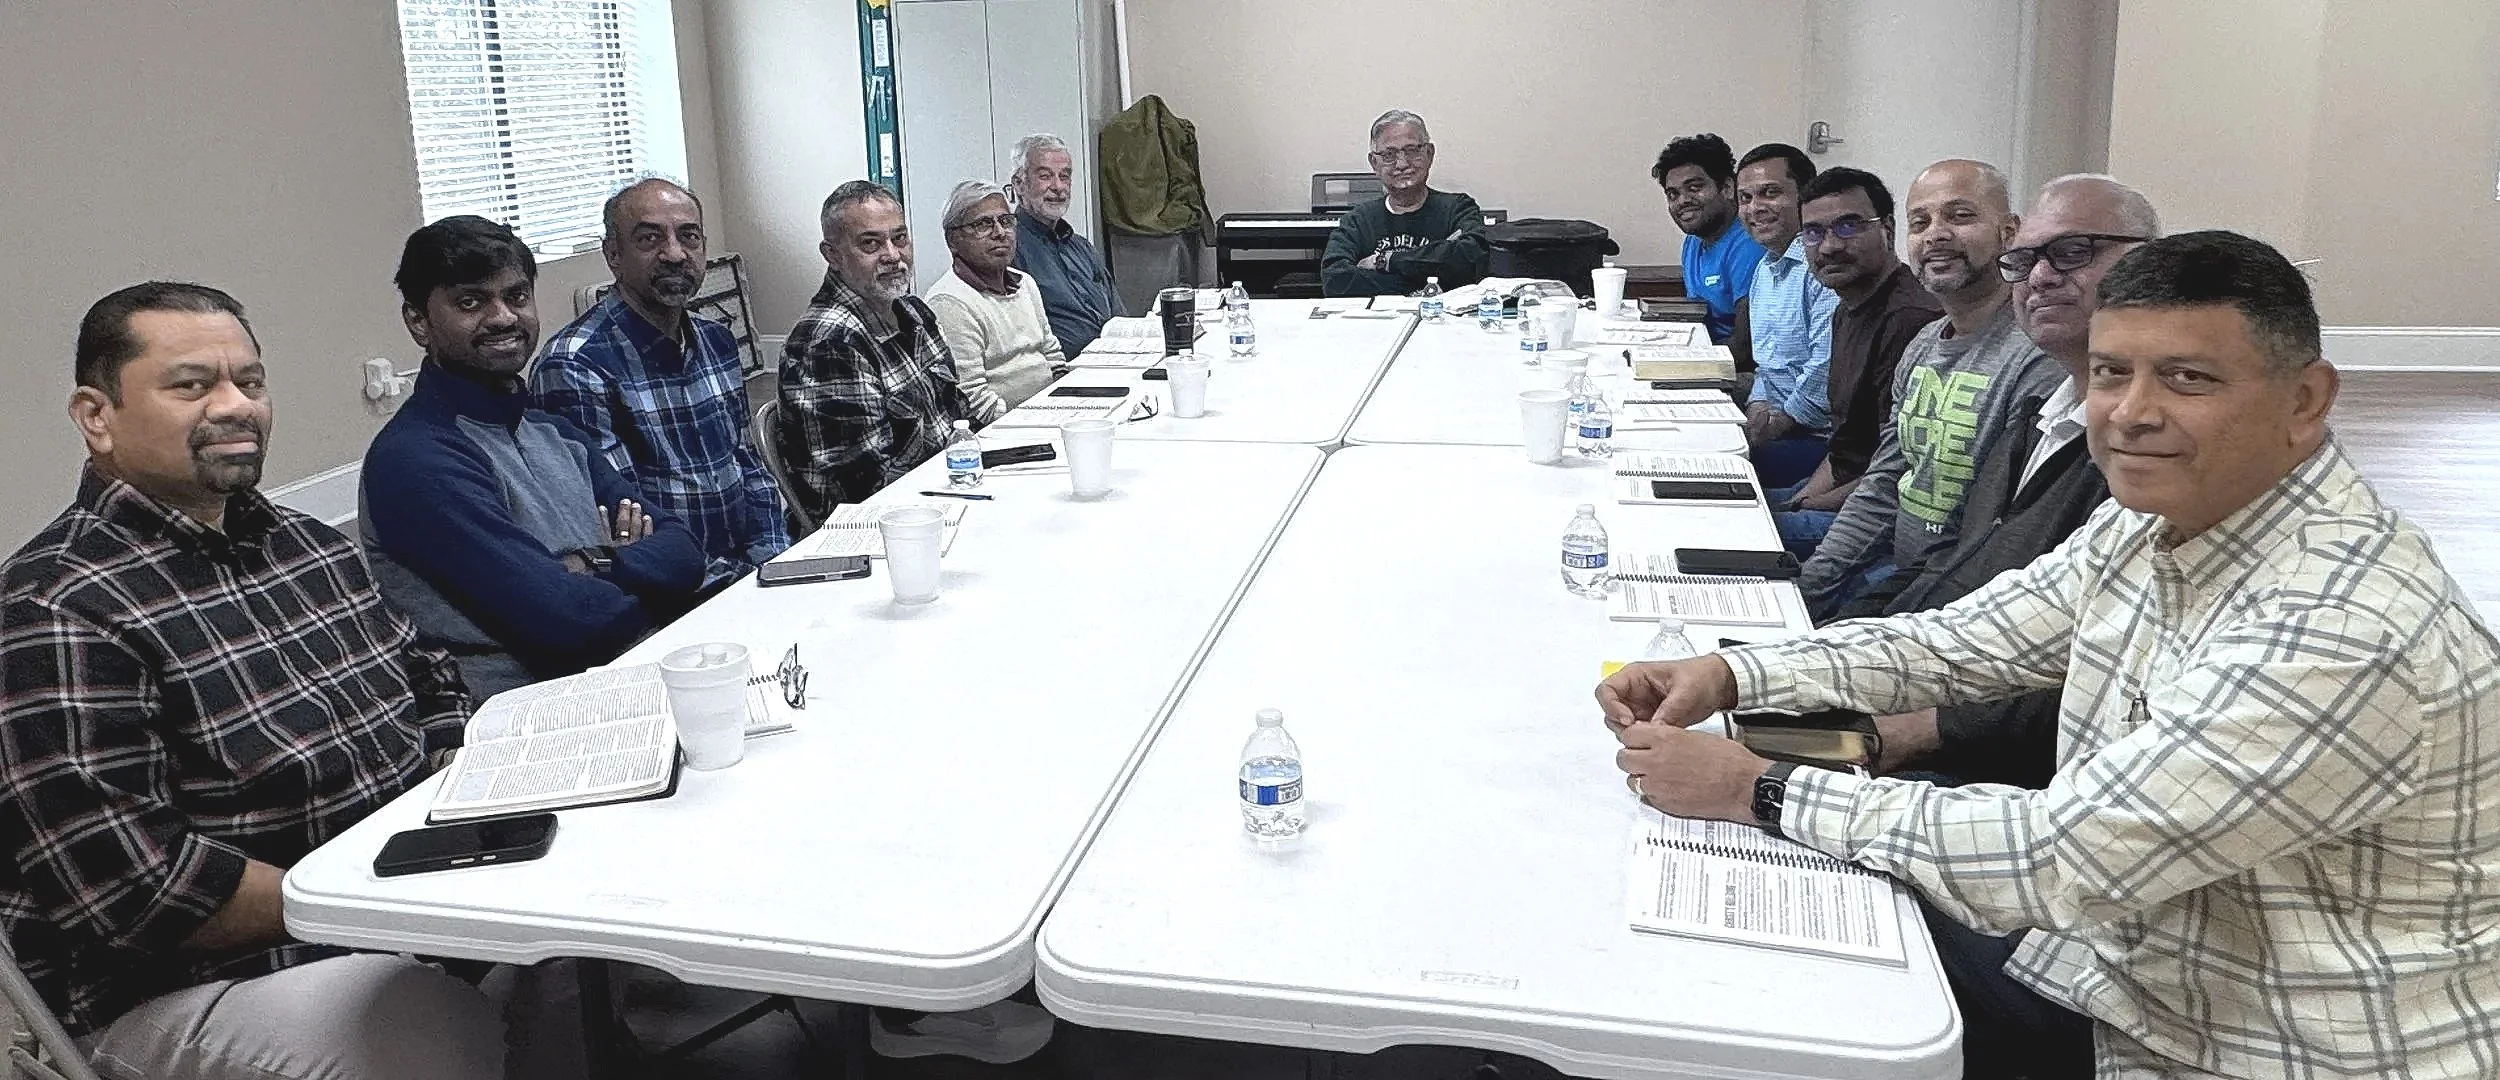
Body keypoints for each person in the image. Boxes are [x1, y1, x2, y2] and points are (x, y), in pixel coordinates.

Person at [1603, 231, 2500, 1080]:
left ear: (2305, 401)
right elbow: (1965, 641)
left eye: (2186, 378)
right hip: (2145, 965)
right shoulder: (2156, 519)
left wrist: (1757, 787)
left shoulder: (2342, 628)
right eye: (2112, 374)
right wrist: (1733, 674)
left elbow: (2064, 857)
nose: (2132, 413)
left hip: (2267, 1041)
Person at [0, 283, 508, 1078]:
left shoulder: (307, 547)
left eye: (252, 381)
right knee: (427, 1032)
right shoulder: (55, 610)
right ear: (96, 416)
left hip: (396, 902)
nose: (236, 406)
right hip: (186, 986)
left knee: (575, 958)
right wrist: (376, 899)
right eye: (192, 385)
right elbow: (138, 888)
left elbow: (431, 682)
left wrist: (455, 779)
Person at [1841, 176, 2159, 790]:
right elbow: (1961, 567)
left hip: (2014, 772)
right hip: (1945, 689)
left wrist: (1919, 728)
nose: (2039, 276)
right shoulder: (2042, 417)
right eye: (2026, 260)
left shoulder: (2148, 456)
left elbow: (2108, 676)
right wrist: (1849, 639)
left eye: (2073, 252)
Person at [362, 216, 709, 701]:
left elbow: (686, 554)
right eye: (470, 301)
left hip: (631, 676)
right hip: (525, 720)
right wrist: (637, 572)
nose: (503, 317)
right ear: (419, 321)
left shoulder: (552, 431)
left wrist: (593, 563)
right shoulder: (416, 459)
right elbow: (567, 621)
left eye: (516, 296)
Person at [1793, 159, 2060, 618]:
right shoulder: (1923, 346)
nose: (1935, 234)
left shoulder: (2038, 358)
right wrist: (1812, 584)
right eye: (1922, 222)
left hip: (1956, 603)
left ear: (2009, 232)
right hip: (1901, 571)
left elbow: (2003, 541)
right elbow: (1882, 484)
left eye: (1960, 216)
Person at [530, 178, 790, 590]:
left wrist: (773, 561)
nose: (674, 254)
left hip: (753, 575)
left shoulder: (716, 340)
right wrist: (737, 586)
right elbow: (630, 526)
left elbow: (749, 468)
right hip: (676, 593)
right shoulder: (576, 366)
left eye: (689, 237)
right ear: (613, 255)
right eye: (650, 239)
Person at [1770, 167, 1943, 559]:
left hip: (1876, 513)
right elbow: (1847, 444)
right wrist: (1801, 498)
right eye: (1813, 233)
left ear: (1888, 228)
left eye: (1848, 226)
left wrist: (1807, 506)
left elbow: (1897, 470)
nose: (1829, 246)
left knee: (1727, 530)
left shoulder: (1909, 320)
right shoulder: (1846, 309)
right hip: (1838, 488)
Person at [778, 181, 977, 521]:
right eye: (870, 243)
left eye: (899, 238)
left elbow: (959, 419)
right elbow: (869, 490)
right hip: (877, 528)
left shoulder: (914, 312)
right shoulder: (830, 341)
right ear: (833, 256)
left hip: (946, 492)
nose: (893, 255)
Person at [1730, 143, 1838, 488]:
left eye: (1770, 193)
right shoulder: (1765, 268)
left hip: (1819, 439)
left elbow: (1825, 368)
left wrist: (1778, 422)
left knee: (1713, 465)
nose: (1755, 208)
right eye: (1745, 198)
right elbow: (1767, 364)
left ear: (1806, 199)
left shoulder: (1824, 264)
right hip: (1778, 422)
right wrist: (1758, 405)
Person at [925, 179, 1071, 422]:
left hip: (1050, 413)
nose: (1000, 233)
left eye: (1005, 221)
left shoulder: (1025, 283)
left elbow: (1053, 357)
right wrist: (1034, 423)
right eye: (983, 224)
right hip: (1006, 431)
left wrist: (1066, 406)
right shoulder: (949, 301)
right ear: (953, 241)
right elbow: (972, 400)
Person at [1320, 109, 1489, 297]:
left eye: (1411, 151)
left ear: (1429, 154)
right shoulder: (1358, 220)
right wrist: (1433, 274)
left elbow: (1472, 260)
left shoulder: (1458, 209)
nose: (1401, 164)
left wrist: (1385, 261)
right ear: (1374, 163)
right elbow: (1335, 281)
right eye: (1389, 155)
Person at [1008, 133, 1119, 356]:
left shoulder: (1082, 247)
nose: (1058, 187)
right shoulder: (1009, 249)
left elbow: (1119, 314)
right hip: (1061, 372)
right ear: (1019, 184)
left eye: (1065, 176)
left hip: (1114, 360)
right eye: (1045, 176)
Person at [1652, 133, 1764, 343]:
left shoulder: (1750, 243)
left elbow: (1745, 348)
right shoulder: (1694, 240)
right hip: (1704, 349)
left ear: (1727, 188)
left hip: (1738, 367)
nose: (1683, 201)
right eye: (1672, 194)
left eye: (1695, 188)